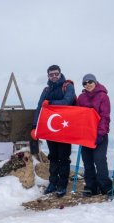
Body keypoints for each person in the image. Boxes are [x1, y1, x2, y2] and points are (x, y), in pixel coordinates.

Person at [32, 65, 76, 197]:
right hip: (50, 129)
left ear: (60, 73)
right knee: (53, 156)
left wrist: (50, 102)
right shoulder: (46, 89)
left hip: (64, 128)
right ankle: (53, 183)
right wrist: (35, 126)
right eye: (51, 75)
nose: (54, 76)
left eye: (56, 74)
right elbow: (40, 107)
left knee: (64, 157)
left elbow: (68, 101)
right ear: (48, 76)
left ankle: (62, 185)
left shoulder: (67, 86)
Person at [77, 74, 113, 197]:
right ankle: (91, 186)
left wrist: (101, 133)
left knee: (100, 159)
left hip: (99, 135)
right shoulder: (81, 98)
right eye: (84, 83)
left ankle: (106, 186)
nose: (87, 84)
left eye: (90, 81)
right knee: (87, 161)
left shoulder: (103, 96)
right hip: (85, 135)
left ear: (95, 82)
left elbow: (105, 116)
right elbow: (76, 114)